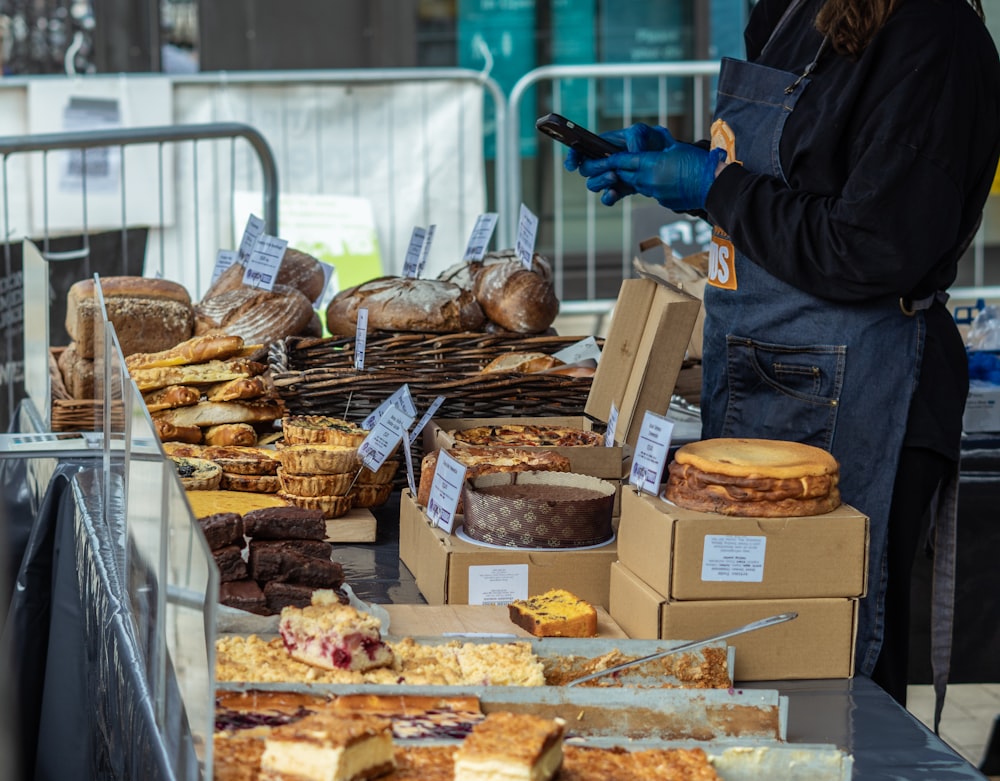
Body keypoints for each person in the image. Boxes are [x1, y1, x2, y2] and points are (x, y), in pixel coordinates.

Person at [566, 0, 1000, 720]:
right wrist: (678, 166)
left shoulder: (935, 36)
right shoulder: (796, 9)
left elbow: (870, 248)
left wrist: (716, 185)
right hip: (765, 375)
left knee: (832, 667)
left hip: (866, 389)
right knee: (748, 656)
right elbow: (799, 184)